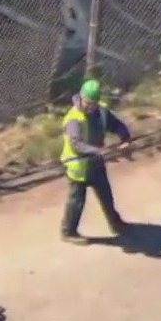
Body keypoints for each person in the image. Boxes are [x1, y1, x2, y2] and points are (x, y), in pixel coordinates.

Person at [59, 79, 133, 244]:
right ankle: (68, 232)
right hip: (78, 169)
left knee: (106, 196)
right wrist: (99, 151)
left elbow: (116, 125)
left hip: (96, 164)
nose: (90, 107)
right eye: (87, 103)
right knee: (76, 202)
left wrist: (125, 138)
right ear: (81, 98)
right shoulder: (73, 119)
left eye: (93, 104)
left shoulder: (101, 112)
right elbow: (76, 144)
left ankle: (116, 224)